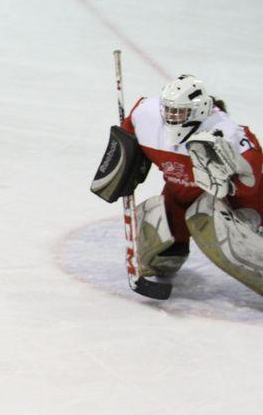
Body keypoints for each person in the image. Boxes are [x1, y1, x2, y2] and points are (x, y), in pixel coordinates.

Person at [93, 74, 263, 294]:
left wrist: (239, 195)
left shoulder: (227, 133)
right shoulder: (147, 116)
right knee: (155, 248)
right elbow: (128, 134)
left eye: (179, 112)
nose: (171, 117)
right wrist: (125, 163)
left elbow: (252, 183)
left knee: (209, 221)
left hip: (224, 203)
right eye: (169, 110)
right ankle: (175, 249)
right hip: (177, 197)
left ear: (198, 111)